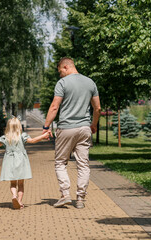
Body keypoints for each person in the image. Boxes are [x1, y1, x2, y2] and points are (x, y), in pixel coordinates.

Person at [43, 57, 101, 209]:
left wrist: (46, 126)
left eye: (60, 71)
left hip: (66, 128)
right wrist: (93, 124)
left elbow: (55, 106)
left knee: (60, 162)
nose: (60, 75)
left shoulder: (62, 83)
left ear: (66, 67)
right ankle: (80, 198)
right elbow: (97, 108)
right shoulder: (90, 83)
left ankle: (65, 194)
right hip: (84, 128)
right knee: (83, 164)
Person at [0, 117, 50, 209]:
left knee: (13, 183)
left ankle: (14, 195)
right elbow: (33, 140)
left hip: (9, 162)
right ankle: (19, 201)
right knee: (21, 184)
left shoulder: (6, 137)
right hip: (21, 161)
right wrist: (43, 136)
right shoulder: (22, 136)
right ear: (19, 127)